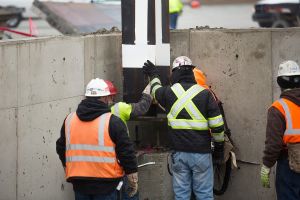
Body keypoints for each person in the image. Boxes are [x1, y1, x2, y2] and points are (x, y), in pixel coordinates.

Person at [142, 56, 225, 200]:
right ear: (191, 72)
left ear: (174, 73)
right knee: (205, 195)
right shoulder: (205, 94)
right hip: (202, 154)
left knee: (181, 195)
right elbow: (217, 126)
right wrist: (219, 150)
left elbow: (155, 91)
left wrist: (154, 74)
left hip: (179, 154)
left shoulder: (168, 93)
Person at [56, 78, 138, 200]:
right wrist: (132, 178)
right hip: (107, 184)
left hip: (79, 183)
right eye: (109, 97)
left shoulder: (69, 119)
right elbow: (126, 152)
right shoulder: (113, 122)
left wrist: (67, 168)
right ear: (105, 98)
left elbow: (61, 147)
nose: (111, 100)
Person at [261, 60, 300, 200]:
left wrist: (267, 165)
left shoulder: (278, 108)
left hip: (289, 164)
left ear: (280, 82)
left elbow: (274, 144)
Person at [111, 84, 152, 200]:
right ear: (110, 97)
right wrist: (147, 94)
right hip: (121, 162)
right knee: (130, 192)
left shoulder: (88, 116)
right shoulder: (118, 108)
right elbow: (141, 108)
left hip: (101, 168)